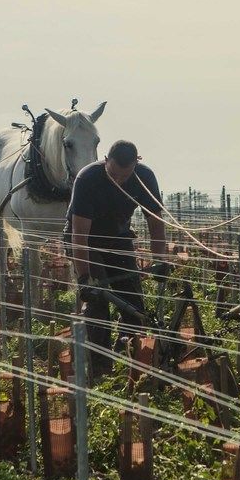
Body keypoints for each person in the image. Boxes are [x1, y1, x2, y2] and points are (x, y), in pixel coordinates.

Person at [66, 140, 169, 375]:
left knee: (134, 305)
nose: (119, 181)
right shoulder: (87, 179)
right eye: (114, 175)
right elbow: (79, 234)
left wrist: (160, 260)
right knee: (98, 301)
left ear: (136, 164)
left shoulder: (144, 177)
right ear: (106, 161)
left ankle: (126, 359)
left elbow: (156, 223)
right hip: (87, 241)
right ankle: (100, 369)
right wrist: (84, 278)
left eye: (125, 176)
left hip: (119, 238)